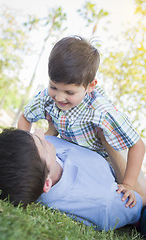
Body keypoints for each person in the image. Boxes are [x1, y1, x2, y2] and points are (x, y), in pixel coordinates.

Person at [18, 36, 145, 207]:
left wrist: (128, 184)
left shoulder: (100, 110)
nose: (59, 97)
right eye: (54, 86)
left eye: (69, 92)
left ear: (90, 86)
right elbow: (26, 117)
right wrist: (24, 146)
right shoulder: (46, 97)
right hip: (71, 153)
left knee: (136, 197)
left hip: (104, 159)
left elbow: (137, 145)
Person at [0, 128, 146, 232]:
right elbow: (141, 198)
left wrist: (51, 129)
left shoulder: (41, 162)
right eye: (41, 142)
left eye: (34, 135)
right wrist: (108, 143)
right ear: (47, 183)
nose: (41, 131)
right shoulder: (104, 203)